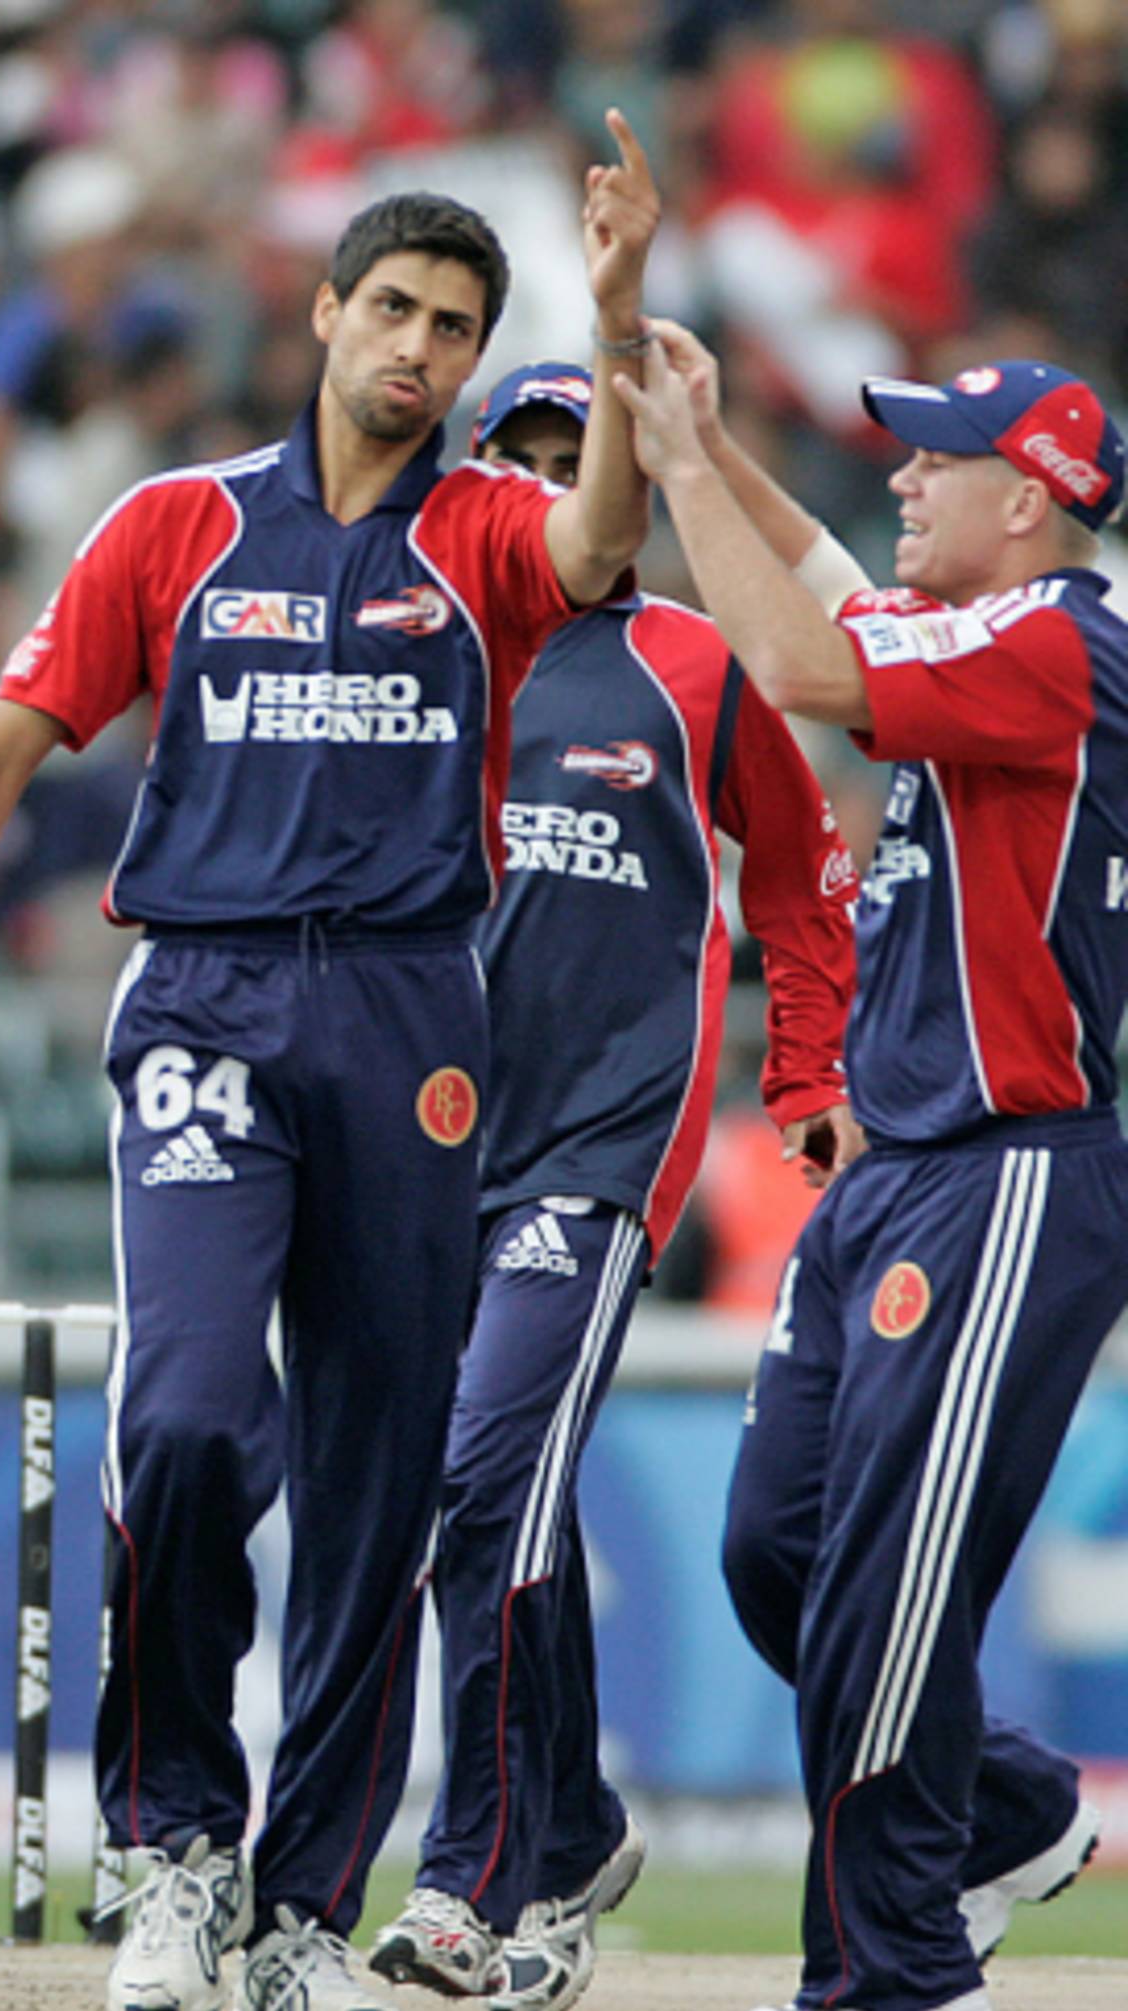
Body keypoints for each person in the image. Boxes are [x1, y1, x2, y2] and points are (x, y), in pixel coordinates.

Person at [0, 112, 661, 2011]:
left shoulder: (482, 535)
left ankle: (295, 1909)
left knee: (383, 1483)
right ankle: (170, 1858)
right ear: (320, 310)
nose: (421, 349)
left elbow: (604, 537)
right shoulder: (177, 523)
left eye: (459, 327)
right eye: (393, 307)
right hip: (208, 1002)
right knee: (194, 1418)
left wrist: (614, 327)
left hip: (408, 1020)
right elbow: (7, 734)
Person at [615, 330, 1128, 2011]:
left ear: (1035, 501)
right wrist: (703, 435)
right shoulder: (1003, 631)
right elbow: (841, 597)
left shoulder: (1066, 647)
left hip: (1012, 1170)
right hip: (898, 1164)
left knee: (889, 1593)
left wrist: (682, 474)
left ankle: (888, 1976)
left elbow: (810, 669)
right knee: (782, 1554)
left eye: (936, 458)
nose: (901, 477)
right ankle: (1015, 1815)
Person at [368, 358, 863, 2011]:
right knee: (503, 1507)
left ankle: (473, 1877)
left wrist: (802, 1081)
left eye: (582, 458)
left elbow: (804, 886)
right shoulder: (426, 646)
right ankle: (571, 1828)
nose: (550, 481)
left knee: (484, 1486)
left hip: (601, 1150)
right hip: (428, 1149)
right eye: (523, 454)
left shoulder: (696, 665)